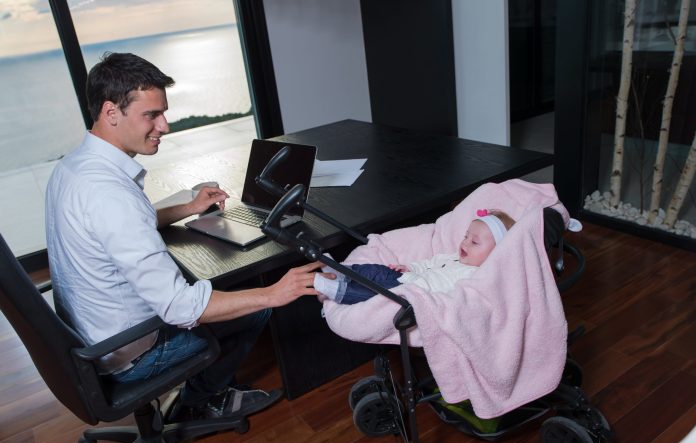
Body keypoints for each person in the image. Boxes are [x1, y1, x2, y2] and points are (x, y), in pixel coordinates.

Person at [45, 52, 329, 423]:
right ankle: (197, 402)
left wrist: (188, 207)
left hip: (88, 336)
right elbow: (180, 308)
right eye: (152, 115)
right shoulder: (110, 196)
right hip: (127, 355)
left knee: (226, 286)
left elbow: (118, 227)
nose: (164, 126)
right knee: (255, 307)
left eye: (163, 113)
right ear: (111, 112)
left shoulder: (73, 167)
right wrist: (274, 294)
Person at [314, 209, 515, 304]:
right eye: (466, 236)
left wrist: (412, 280)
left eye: (475, 242)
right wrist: (410, 268)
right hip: (407, 279)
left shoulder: (475, 277)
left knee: (377, 295)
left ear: (495, 254)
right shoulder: (454, 257)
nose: (465, 243)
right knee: (376, 270)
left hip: (413, 293)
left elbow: (440, 291)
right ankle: (341, 271)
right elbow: (430, 263)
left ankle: (337, 290)